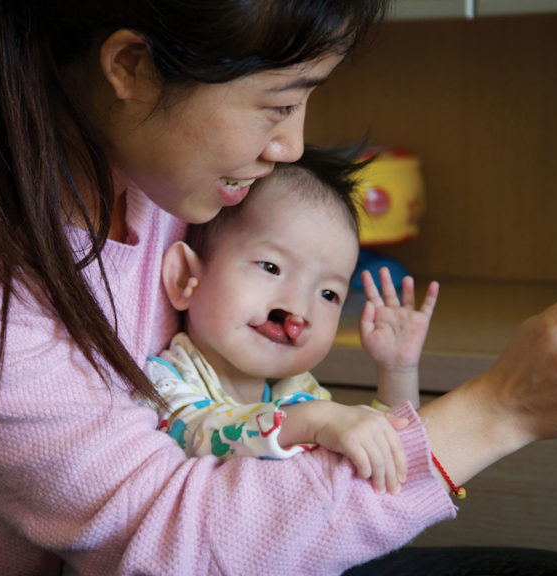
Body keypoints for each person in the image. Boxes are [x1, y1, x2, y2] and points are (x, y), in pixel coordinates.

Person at [0, 1, 557, 575]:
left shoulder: (159, 178)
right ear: (129, 66)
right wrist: (502, 410)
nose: (290, 144)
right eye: (278, 103)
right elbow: (169, 544)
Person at [145, 146, 439, 497]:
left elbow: (385, 462)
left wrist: (397, 372)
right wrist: (315, 421)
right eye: (271, 267)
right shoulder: (164, 381)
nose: (298, 307)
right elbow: (203, 435)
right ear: (185, 278)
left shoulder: (299, 392)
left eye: (328, 294)